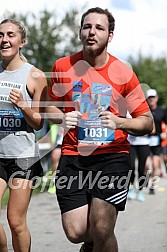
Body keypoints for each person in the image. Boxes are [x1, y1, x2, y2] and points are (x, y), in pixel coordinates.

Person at [46, 7, 153, 252]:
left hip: (112, 157)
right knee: (76, 233)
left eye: (99, 28)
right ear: (80, 32)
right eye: (87, 26)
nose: (92, 32)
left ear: (110, 35)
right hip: (74, 156)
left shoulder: (123, 72)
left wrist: (120, 122)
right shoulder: (63, 67)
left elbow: (147, 122)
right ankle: (92, 244)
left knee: (102, 226)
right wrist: (62, 117)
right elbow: (50, 107)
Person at [0, 19, 47, 252]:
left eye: (10, 34)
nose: (4, 39)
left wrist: (22, 106)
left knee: (16, 222)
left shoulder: (35, 76)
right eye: (0, 35)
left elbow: (38, 122)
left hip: (23, 156)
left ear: (22, 41)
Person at [145, 88, 167, 194]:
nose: (152, 99)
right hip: (145, 139)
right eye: (149, 98)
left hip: (157, 140)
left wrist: (165, 133)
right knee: (146, 165)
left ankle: (153, 186)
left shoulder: (161, 111)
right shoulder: (144, 110)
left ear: (156, 98)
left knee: (155, 163)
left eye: (153, 97)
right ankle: (145, 178)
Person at [128, 135, 150, 202]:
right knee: (131, 167)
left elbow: (153, 130)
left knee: (141, 169)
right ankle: (131, 188)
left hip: (144, 143)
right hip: (131, 143)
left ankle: (140, 190)